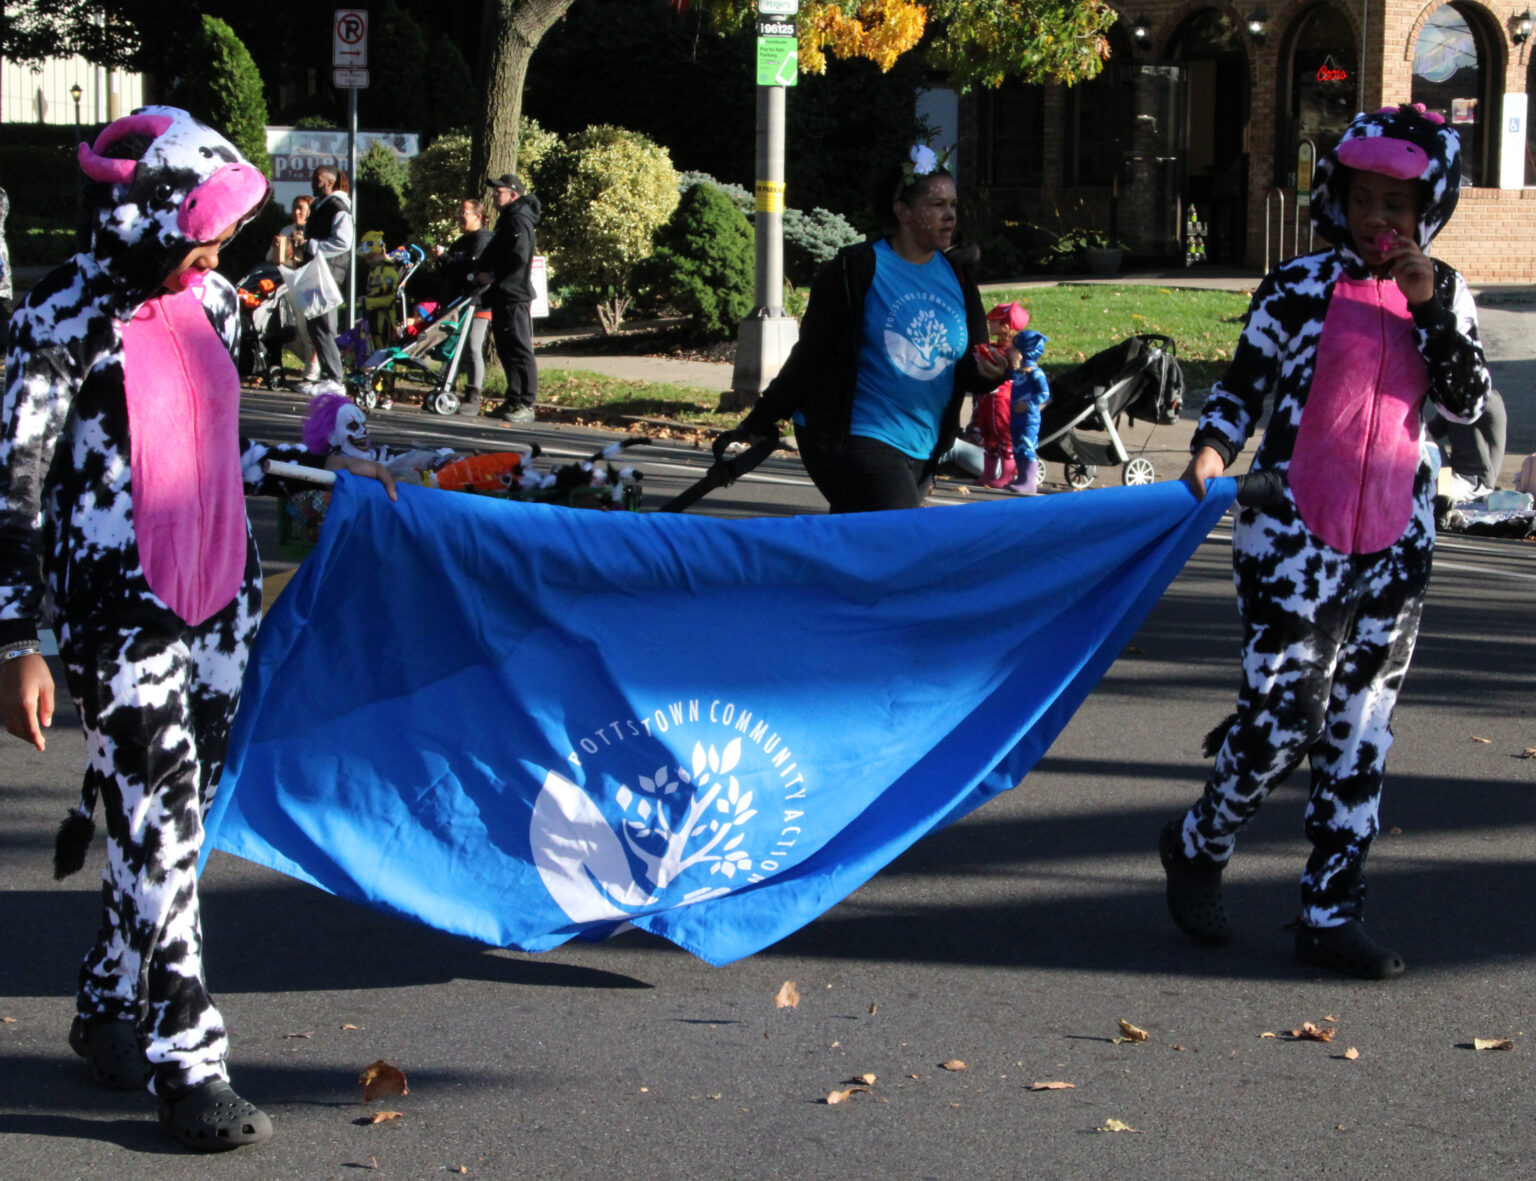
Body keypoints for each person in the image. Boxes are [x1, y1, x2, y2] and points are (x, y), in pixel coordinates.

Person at [0, 107, 397, 1151]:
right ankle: (189, 1059)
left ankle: (104, 1003)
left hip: (220, 601)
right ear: (143, 214)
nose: (221, 248)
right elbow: (14, 493)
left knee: (168, 824)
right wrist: (14, 642)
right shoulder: (58, 318)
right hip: (115, 613)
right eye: (203, 226)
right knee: (164, 826)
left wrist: (324, 468)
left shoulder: (214, 300)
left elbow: (213, 451)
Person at [1159, 104, 1490, 979]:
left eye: (1400, 204)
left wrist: (1429, 314)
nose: (1381, 219)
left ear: (1430, 208)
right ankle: (1199, 841)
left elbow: (1462, 408)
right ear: (1336, 198)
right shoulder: (1296, 287)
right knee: (1285, 720)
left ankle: (1330, 910)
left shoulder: (1448, 294)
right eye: (1365, 199)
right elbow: (1240, 390)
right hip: (1290, 541)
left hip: (1396, 548)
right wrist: (1208, 451)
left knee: (1360, 731)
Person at [731, 146, 1007, 512]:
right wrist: (761, 419)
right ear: (902, 210)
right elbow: (811, 357)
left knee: (864, 558)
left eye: (953, 204)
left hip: (925, 444)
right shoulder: (856, 271)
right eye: (936, 204)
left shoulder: (957, 276)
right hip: (859, 436)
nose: (950, 215)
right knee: (900, 547)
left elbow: (970, 367)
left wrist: (993, 372)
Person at [475, 174, 542, 423]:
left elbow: (518, 257)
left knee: (519, 347)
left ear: (513, 195)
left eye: (498, 191)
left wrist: (492, 274)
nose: (493, 195)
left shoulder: (518, 221)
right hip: (503, 294)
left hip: (515, 294)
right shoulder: (507, 220)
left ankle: (526, 401)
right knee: (505, 348)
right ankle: (514, 398)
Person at [434, 198, 494, 416]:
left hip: (477, 303)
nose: (460, 217)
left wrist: (446, 259)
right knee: (453, 347)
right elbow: (451, 272)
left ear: (478, 216)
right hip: (458, 304)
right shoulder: (460, 242)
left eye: (464, 213)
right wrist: (440, 260)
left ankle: (473, 397)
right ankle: (445, 389)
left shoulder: (483, 239)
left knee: (472, 347)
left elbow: (471, 269)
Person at [298, 165, 353, 395]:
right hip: (316, 269)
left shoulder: (338, 206)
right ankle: (327, 377)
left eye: (317, 180)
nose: (313, 183)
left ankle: (334, 379)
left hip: (328, 271)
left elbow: (343, 242)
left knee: (324, 325)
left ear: (330, 183)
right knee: (315, 324)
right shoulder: (320, 205)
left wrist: (310, 245)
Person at [974, 302, 1027, 488]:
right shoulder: (993, 346)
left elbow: (1016, 370)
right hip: (989, 398)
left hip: (1003, 398)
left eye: (994, 321)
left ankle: (1008, 473)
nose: (990, 323)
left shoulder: (1014, 352)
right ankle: (989, 472)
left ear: (1006, 326)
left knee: (1004, 434)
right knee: (988, 434)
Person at [1006, 328, 1051, 495]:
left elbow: (1044, 394)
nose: (1010, 352)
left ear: (1024, 353)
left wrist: (1028, 404)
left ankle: (1029, 481)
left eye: (1014, 350)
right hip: (1016, 418)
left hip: (1028, 419)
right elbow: (1006, 376)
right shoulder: (1018, 373)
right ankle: (1021, 477)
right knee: (1017, 447)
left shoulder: (1036, 374)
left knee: (1026, 447)